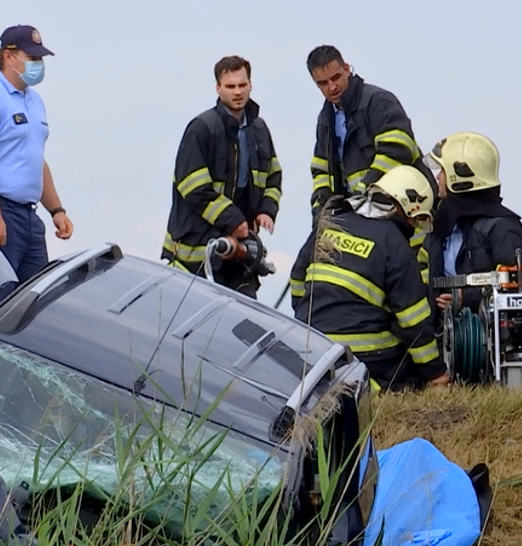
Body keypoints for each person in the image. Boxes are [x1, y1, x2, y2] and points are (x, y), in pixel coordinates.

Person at [290, 165, 450, 392]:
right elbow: (413, 321)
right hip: (363, 354)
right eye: (415, 219)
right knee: (410, 373)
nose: (414, 227)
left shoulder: (331, 223)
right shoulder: (395, 244)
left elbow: (297, 282)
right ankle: (370, 387)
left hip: (312, 349)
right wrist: (435, 373)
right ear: (404, 208)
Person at [0, 24, 74, 305]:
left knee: (33, 303)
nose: (38, 64)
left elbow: (35, 160)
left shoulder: (34, 102)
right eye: (32, 57)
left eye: (40, 59)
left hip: (27, 215)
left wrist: (56, 210)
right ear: (9, 56)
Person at [162, 55, 282, 298]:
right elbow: (193, 187)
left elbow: (273, 175)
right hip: (195, 255)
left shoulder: (259, 130)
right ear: (218, 88)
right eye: (230, 86)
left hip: (240, 257)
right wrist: (234, 221)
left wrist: (266, 210)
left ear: (250, 85)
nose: (237, 92)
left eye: (242, 85)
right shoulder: (201, 128)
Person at [306, 45, 435, 215]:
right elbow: (321, 169)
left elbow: (398, 150)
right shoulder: (325, 119)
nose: (332, 87)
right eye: (323, 83)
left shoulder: (378, 102)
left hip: (406, 210)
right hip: (363, 212)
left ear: (346, 69)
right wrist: (321, 209)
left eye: (335, 77)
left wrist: (364, 190)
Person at [424, 131, 522, 313]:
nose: (437, 177)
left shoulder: (503, 228)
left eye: (443, 171)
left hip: (488, 337)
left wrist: (465, 299)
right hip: (443, 333)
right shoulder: (441, 225)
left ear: (460, 177)